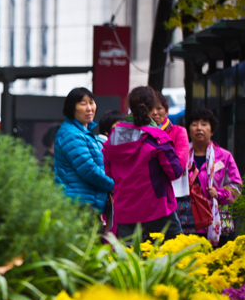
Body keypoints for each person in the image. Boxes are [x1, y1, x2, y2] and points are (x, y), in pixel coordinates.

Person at [103, 87, 184, 241]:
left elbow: (109, 172)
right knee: (172, 254)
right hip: (157, 208)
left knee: (130, 259)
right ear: (152, 108)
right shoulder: (157, 136)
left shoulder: (114, 135)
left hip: (125, 209)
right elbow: (174, 171)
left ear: (130, 108)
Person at [54, 88, 114, 223]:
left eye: (91, 102)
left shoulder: (83, 132)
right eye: (83, 103)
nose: (89, 108)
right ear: (71, 108)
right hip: (78, 205)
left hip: (87, 204)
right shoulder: (71, 134)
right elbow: (89, 170)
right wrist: (115, 186)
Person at [183, 108, 241, 245]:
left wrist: (219, 194)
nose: (199, 128)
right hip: (187, 223)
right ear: (189, 130)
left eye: (204, 124)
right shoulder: (181, 156)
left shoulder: (224, 156)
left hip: (217, 224)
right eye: (194, 124)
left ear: (212, 130)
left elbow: (236, 187)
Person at [150, 94, 191, 204]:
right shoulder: (142, 133)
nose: (154, 112)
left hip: (173, 194)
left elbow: (179, 164)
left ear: (166, 111)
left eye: (159, 108)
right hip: (148, 193)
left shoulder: (179, 132)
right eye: (151, 109)